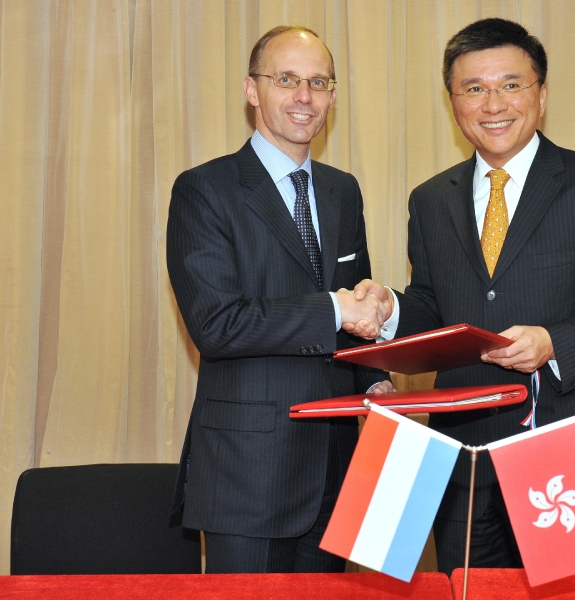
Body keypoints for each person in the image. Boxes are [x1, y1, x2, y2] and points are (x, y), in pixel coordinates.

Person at [352, 18, 575, 574]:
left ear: (541, 95)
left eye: (511, 84)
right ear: (453, 103)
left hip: (560, 456)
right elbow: (433, 306)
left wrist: (555, 342)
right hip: (460, 456)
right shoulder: (429, 199)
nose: (493, 103)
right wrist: (389, 309)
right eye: (474, 89)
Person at [166, 25, 393, 573]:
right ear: (252, 89)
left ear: (333, 96)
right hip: (248, 476)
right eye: (286, 79)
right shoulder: (205, 190)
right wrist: (339, 309)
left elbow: (354, 306)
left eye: (318, 82)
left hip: (337, 470)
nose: (304, 96)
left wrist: (375, 375)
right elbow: (216, 324)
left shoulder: (343, 190)